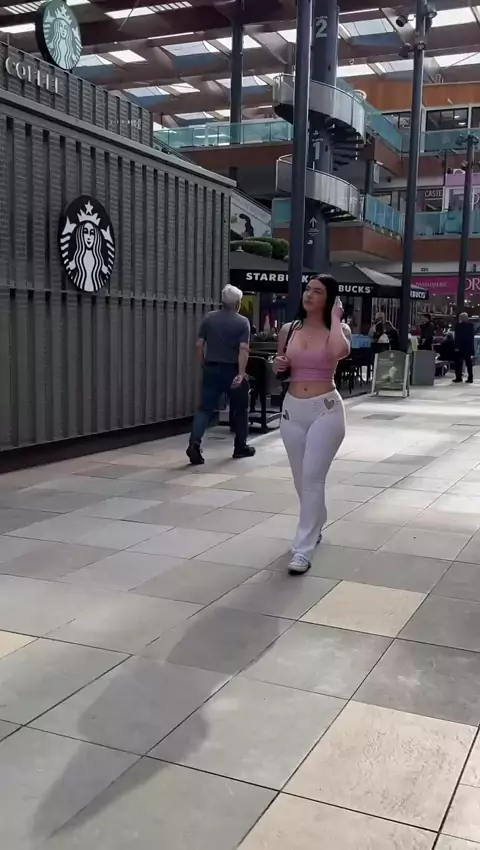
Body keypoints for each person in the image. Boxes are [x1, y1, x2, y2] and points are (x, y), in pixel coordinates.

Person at [273, 274, 350, 575]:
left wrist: (336, 317)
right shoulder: (289, 329)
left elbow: (340, 352)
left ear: (329, 298)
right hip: (292, 409)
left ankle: (302, 549)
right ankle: (316, 520)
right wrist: (279, 364)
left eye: (318, 291)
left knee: (312, 479)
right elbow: (280, 364)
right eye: (308, 289)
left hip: (325, 410)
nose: (309, 295)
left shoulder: (337, 329)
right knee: (300, 479)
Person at [187, 284, 256, 465]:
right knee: (240, 409)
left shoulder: (209, 318)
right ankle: (240, 447)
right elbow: (244, 349)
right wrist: (241, 373)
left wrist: (204, 363)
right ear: (238, 303)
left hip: (212, 368)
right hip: (232, 370)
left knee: (205, 409)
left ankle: (194, 443)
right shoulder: (242, 322)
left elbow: (199, 344)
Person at [453, 312, 474, 383]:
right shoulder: (471, 325)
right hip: (468, 347)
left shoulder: (458, 325)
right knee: (469, 363)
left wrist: (456, 346)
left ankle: (458, 377)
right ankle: (470, 377)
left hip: (460, 347)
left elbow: (457, 337)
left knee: (458, 363)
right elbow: (471, 337)